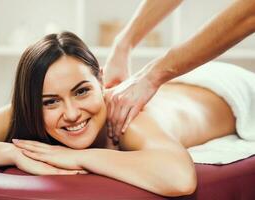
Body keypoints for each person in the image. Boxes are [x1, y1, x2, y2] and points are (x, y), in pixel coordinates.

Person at [0, 31, 254, 197]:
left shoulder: (127, 117)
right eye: (51, 102)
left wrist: (78, 157)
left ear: (101, 81)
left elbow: (179, 178)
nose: (71, 113)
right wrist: (12, 153)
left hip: (232, 88)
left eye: (82, 91)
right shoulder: (31, 109)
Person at [103, 0, 255, 142]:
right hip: (212, 79)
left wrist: (152, 76)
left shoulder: (138, 128)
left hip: (232, 85)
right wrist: (122, 45)